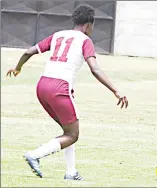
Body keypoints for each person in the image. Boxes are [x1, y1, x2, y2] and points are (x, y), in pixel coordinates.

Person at [6, 4, 128, 180]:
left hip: (42, 86)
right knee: (72, 134)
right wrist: (116, 90)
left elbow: (29, 51)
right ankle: (34, 155)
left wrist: (18, 68)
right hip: (59, 88)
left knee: (68, 130)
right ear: (88, 25)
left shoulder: (58, 35)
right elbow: (95, 69)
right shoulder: (85, 41)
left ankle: (71, 173)